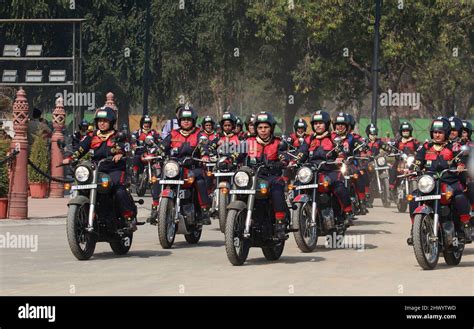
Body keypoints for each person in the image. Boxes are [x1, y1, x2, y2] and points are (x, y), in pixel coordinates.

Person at [62, 107, 138, 231]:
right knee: (84, 188)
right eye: (99, 120)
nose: (101, 123)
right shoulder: (91, 136)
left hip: (114, 170)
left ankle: (128, 218)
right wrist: (71, 157)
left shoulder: (119, 136)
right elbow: (80, 149)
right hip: (95, 170)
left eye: (105, 121)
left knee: (118, 190)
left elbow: (128, 149)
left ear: (111, 122)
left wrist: (122, 154)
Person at [407, 117, 471, 245]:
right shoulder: (425, 147)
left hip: (449, 182)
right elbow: (418, 161)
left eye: (440, 132)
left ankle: (465, 227)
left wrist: (460, 166)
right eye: (435, 132)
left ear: (446, 133)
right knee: (414, 197)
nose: (437, 135)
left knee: (459, 197)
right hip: (429, 183)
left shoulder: (454, 146)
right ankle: (415, 230)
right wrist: (411, 170)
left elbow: (460, 159)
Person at [152, 105, 213, 225]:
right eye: (183, 119)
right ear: (179, 121)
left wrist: (205, 155)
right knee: (157, 179)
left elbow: (204, 147)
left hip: (192, 167)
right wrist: (155, 153)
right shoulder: (173, 134)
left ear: (193, 121)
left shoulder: (199, 134)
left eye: (188, 119)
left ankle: (204, 211)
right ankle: (155, 208)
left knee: (199, 180)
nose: (186, 122)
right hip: (174, 167)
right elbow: (163, 145)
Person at [298, 110, 355, 225]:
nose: (318, 125)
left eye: (321, 123)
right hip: (312, 172)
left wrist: (340, 158)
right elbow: (302, 153)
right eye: (315, 123)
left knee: (339, 187)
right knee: (297, 184)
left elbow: (342, 150)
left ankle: (348, 212)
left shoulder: (334, 137)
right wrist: (294, 161)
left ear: (327, 124)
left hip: (330, 170)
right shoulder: (309, 139)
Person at [241, 111, 292, 239]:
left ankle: (280, 223)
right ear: (256, 129)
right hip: (252, 176)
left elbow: (284, 156)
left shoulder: (278, 143)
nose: (263, 130)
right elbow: (237, 155)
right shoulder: (249, 142)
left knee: (276, 187)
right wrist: (226, 160)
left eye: (266, 127)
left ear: (272, 128)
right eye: (260, 127)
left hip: (271, 176)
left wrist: (282, 162)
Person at [385, 121, 420, 194]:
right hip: (400, 162)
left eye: (407, 130)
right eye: (404, 130)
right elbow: (392, 148)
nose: (405, 132)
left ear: (410, 131)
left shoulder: (414, 141)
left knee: (420, 170)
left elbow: (420, 149)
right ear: (401, 132)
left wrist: (418, 152)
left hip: (411, 162)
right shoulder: (398, 141)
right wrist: (391, 150)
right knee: (393, 169)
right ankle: (391, 187)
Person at [131, 115, 159, 181]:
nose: (147, 125)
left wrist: (160, 141)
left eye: (148, 123)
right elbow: (132, 140)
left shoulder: (153, 132)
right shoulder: (137, 132)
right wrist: (134, 145)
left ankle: (158, 176)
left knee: (159, 159)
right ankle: (135, 173)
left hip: (151, 152)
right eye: (145, 123)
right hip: (140, 152)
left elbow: (159, 139)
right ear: (142, 123)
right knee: (136, 158)